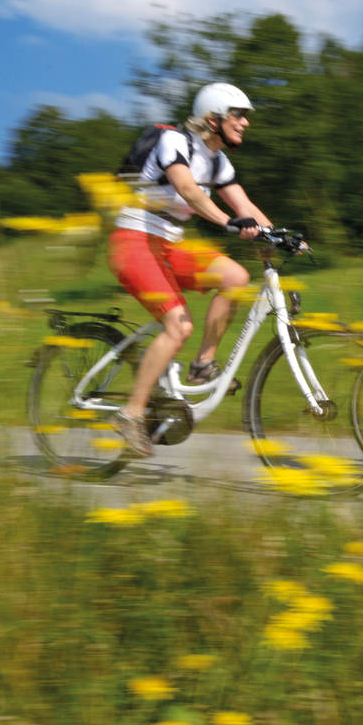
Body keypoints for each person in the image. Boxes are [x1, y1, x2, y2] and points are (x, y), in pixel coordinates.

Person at [108, 82, 274, 457]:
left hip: (169, 245)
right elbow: (187, 189)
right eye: (238, 115)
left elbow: (243, 203)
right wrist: (227, 223)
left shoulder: (217, 161)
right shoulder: (175, 142)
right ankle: (131, 413)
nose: (245, 123)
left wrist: (281, 236)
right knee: (178, 326)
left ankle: (202, 364)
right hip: (134, 240)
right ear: (213, 118)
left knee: (235, 277)